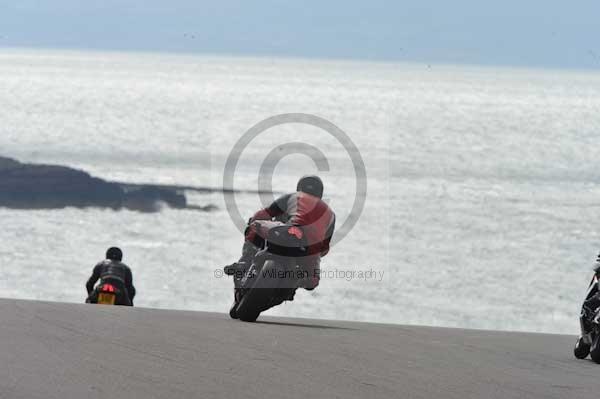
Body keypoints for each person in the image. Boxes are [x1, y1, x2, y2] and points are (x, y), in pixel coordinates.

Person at [225, 175, 336, 293]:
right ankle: (294, 285)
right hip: (310, 250)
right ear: (320, 192)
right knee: (312, 281)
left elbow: (262, 215)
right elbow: (324, 248)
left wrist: (253, 221)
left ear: (299, 187)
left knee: (255, 226)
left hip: (287, 234)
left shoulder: (293, 196)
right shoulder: (331, 215)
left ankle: (245, 261)